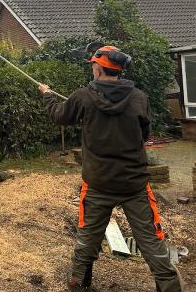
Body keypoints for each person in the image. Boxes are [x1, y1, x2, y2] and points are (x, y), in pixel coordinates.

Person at [38, 44, 183, 292]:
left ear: (97, 68)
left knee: (87, 240)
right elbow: (144, 134)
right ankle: (170, 287)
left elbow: (60, 116)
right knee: (152, 242)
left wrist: (47, 95)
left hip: (98, 183)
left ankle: (77, 284)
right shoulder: (139, 98)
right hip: (134, 184)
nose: (92, 68)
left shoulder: (83, 96)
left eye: (93, 65)